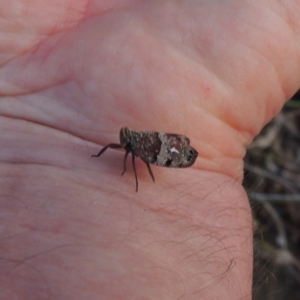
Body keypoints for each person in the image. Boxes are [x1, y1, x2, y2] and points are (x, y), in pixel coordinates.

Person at [1, 1, 299, 299]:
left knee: (148, 156)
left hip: (158, 148)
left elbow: (134, 160)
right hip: (153, 146)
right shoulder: (126, 144)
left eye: (124, 136)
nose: (120, 136)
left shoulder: (133, 147)